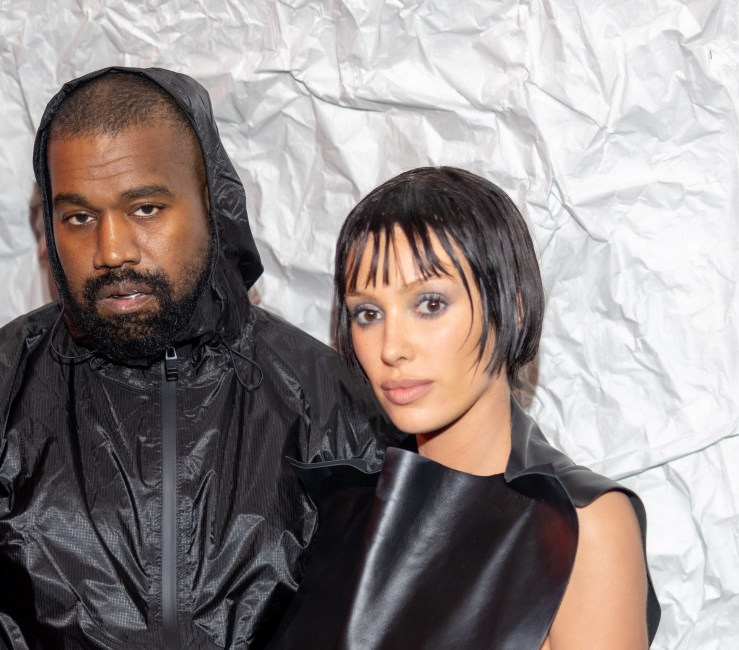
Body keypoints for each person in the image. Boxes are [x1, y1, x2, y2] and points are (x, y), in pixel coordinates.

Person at [0, 67, 390, 649]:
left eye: (146, 209)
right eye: (79, 218)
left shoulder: (336, 409)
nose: (111, 251)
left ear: (211, 204)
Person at [268, 167, 660, 648]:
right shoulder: (344, 510)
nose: (391, 347)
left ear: (512, 308)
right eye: (368, 314)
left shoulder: (580, 526)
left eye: (430, 304)